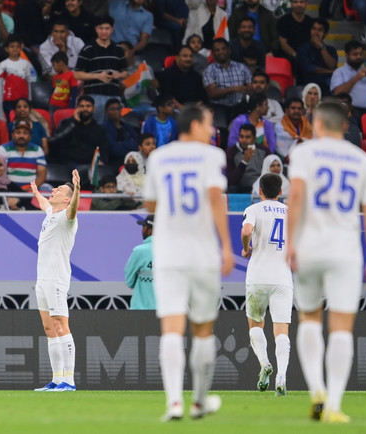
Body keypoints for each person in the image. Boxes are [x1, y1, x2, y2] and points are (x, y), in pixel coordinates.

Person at [286, 100, 366, 423]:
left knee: (310, 318)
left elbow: (295, 196)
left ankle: (316, 388)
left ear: (317, 124)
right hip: (346, 252)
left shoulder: (303, 154)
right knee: (341, 328)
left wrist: (291, 243)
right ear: (345, 126)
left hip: (310, 247)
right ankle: (335, 406)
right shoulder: (362, 160)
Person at [143, 105, 234, 420]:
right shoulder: (212, 156)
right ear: (194, 125)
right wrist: (227, 246)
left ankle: (173, 403)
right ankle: (199, 400)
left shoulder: (158, 157)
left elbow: (150, 203)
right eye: (209, 124)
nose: (211, 131)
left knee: (171, 328)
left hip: (168, 252)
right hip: (202, 252)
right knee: (203, 329)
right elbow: (214, 197)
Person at [241, 172, 293, 396]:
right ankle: (281, 376)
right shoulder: (290, 212)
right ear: (280, 192)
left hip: (258, 278)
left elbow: (246, 230)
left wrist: (246, 248)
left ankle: (264, 363)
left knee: (255, 326)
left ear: (259, 191)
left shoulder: (253, 210)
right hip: (282, 278)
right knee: (281, 330)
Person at [31, 169, 81, 392]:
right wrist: (35, 191)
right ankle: (56, 379)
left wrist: (77, 188)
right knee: (49, 329)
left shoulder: (67, 218)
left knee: (62, 326)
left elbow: (74, 208)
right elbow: (43, 203)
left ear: (67, 198)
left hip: (57, 279)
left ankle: (69, 381)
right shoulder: (51, 213)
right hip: (42, 280)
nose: (53, 190)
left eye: (59, 189)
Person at [74, 15, 129, 123]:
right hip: (94, 96)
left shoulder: (119, 49)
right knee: (95, 126)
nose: (104, 31)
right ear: (96, 29)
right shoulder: (87, 49)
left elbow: (125, 72)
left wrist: (117, 75)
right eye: (101, 28)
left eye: (107, 28)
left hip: (114, 95)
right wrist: (98, 76)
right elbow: (77, 74)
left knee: (114, 127)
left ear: (112, 30)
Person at [331, 40, 366, 124]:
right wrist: (356, 78)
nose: (359, 57)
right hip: (354, 111)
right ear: (346, 55)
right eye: (355, 54)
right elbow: (337, 93)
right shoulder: (339, 72)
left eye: (361, 54)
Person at [203, 38, 252, 129]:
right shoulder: (209, 70)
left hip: (240, 107)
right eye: (217, 50)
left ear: (229, 50)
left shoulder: (242, 67)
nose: (221, 52)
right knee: (221, 132)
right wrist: (233, 89)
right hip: (219, 107)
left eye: (223, 48)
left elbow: (250, 88)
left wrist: (247, 89)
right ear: (213, 53)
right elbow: (212, 93)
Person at [49, 95, 110, 167]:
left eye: (88, 106)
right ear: (77, 108)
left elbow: (104, 149)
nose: (85, 109)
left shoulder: (99, 129)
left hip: (91, 165)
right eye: (81, 106)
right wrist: (74, 122)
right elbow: (55, 140)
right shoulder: (67, 123)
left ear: (94, 109)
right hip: (68, 164)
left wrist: (102, 161)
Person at [0, 120, 47, 188]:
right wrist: (14, 190)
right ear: (12, 135)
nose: (21, 136)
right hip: (9, 190)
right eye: (18, 132)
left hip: (32, 190)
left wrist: (30, 188)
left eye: (25, 133)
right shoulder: (3, 149)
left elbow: (42, 175)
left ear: (30, 136)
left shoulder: (37, 150)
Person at [156, 45, 208, 111]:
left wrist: (195, 108)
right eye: (185, 56)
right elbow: (167, 95)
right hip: (175, 110)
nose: (188, 59)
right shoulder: (167, 74)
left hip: (194, 110)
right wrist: (182, 108)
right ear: (177, 58)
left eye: (190, 56)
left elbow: (202, 97)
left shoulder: (196, 75)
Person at [296, 18, 337, 96]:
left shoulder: (331, 50)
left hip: (327, 83)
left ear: (325, 34)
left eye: (320, 30)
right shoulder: (303, 49)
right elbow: (310, 69)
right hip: (308, 83)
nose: (316, 33)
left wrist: (322, 47)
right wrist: (330, 72)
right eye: (314, 29)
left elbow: (332, 65)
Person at [227, 123, 271, 193]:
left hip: (260, 187)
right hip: (239, 188)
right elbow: (230, 180)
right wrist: (244, 162)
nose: (244, 140)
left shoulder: (264, 151)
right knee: (232, 189)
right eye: (241, 136)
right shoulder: (231, 152)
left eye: (247, 137)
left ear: (254, 139)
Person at [0, 34, 32, 117]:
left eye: (17, 46)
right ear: (6, 49)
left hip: (23, 99)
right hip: (9, 100)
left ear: (21, 48)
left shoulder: (26, 63)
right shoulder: (3, 64)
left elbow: (28, 82)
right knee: (12, 118)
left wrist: (30, 100)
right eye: (12, 46)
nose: (15, 49)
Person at [124, 214, 155, 309]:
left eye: (144, 227)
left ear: (150, 231)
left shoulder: (139, 251)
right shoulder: (172, 251)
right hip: (166, 313)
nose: (142, 230)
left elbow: (129, 281)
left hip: (141, 311)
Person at [103, 98, 138, 167]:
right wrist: (129, 146)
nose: (116, 111)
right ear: (106, 112)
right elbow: (115, 150)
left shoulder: (128, 126)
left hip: (130, 160)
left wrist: (121, 144)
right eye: (113, 109)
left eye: (118, 108)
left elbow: (137, 144)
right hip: (113, 162)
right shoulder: (104, 128)